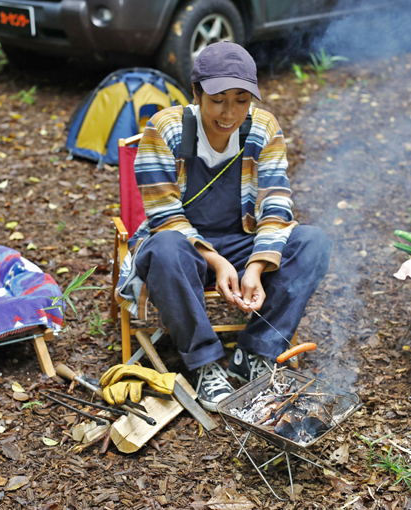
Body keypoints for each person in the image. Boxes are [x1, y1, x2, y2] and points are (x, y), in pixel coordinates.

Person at [116, 42, 332, 412]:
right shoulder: (165, 129)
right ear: (196, 93)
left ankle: (255, 351)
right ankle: (203, 364)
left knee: (313, 241)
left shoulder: (263, 128)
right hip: (182, 249)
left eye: (241, 99)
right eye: (217, 99)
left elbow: (276, 206)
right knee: (166, 248)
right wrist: (217, 262)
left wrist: (257, 265)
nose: (229, 112)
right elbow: (163, 215)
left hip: (241, 241)